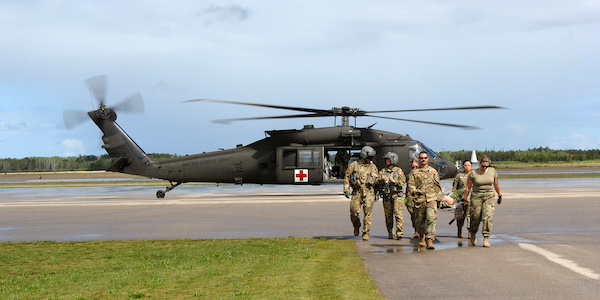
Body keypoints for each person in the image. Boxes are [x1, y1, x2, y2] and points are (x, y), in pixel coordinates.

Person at [463, 155, 503, 248]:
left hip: (488, 196)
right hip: (476, 196)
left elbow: (496, 184)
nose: (485, 168)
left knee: (487, 216)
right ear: (480, 164)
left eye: (486, 166)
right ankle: (473, 233)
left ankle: (486, 238)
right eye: (483, 166)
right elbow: (468, 188)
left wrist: (500, 195)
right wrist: (465, 199)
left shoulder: (492, 171)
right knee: (476, 217)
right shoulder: (473, 173)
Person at [407, 151, 442, 249]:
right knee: (420, 221)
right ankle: (422, 237)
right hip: (420, 200)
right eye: (421, 158)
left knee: (431, 219)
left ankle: (430, 240)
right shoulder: (414, 172)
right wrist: (415, 191)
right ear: (419, 159)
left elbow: (437, 187)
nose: (423, 159)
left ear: (428, 159)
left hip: (431, 199)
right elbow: (411, 185)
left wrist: (439, 200)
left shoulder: (433, 172)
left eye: (425, 158)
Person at [343, 146, 380, 241]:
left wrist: (377, 193)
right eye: (369, 157)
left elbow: (377, 180)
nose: (370, 159)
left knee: (368, 214)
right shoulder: (354, 165)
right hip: (357, 192)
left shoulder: (373, 167)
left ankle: (366, 232)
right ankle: (356, 226)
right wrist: (346, 189)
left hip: (369, 192)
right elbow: (347, 176)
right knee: (354, 212)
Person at [378, 152, 406, 239]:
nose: (386, 161)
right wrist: (382, 179)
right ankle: (390, 232)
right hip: (387, 196)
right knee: (388, 215)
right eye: (386, 159)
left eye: (388, 159)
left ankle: (399, 232)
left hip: (396, 195)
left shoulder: (399, 171)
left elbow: (402, 183)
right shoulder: (383, 171)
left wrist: (394, 181)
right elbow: (377, 181)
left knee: (398, 214)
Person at [451, 159, 472, 238]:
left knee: (470, 217)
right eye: (465, 165)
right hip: (461, 199)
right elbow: (454, 187)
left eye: (468, 165)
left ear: (471, 166)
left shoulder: (474, 175)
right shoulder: (459, 176)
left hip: (471, 199)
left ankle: (470, 232)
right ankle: (459, 231)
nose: (467, 167)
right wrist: (453, 198)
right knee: (460, 217)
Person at [405, 160, 419, 238]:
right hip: (410, 198)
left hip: (420, 197)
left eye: (416, 167)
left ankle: (421, 231)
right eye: (413, 167)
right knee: (413, 215)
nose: (415, 169)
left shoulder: (421, 174)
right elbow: (407, 187)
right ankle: (416, 230)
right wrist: (406, 199)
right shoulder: (409, 176)